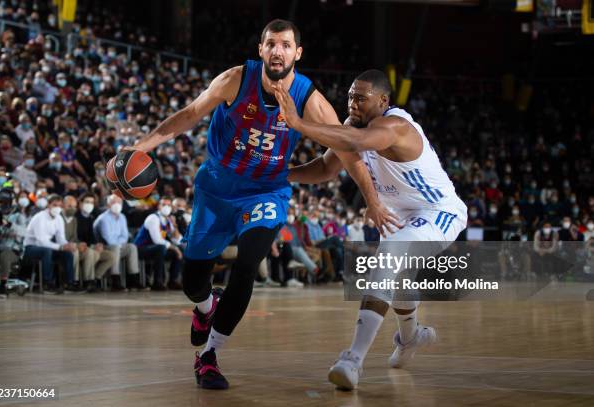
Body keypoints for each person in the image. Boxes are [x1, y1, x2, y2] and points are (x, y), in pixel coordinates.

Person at [127, 19, 392, 390]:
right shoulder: (235, 79)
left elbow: (347, 151)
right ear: (261, 50)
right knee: (192, 281)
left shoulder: (309, 99)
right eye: (271, 44)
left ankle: (208, 357)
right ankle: (205, 308)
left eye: (286, 44)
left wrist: (373, 202)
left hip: (267, 190)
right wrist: (141, 146)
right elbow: (189, 114)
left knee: (248, 263)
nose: (278, 50)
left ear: (297, 53)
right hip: (217, 188)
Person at [275, 69, 467, 390]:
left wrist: (299, 123)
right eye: (350, 95)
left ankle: (352, 360)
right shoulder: (352, 126)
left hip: (437, 212)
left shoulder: (395, 126)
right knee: (398, 278)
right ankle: (410, 337)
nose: (352, 103)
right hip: (395, 215)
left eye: (361, 98)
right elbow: (325, 167)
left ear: (383, 100)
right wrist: (279, 175)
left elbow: (356, 142)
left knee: (388, 261)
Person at [23, 194, 76, 293]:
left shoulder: (59, 218)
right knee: (47, 251)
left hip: (47, 247)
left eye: (59, 206)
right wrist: (60, 247)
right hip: (31, 247)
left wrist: (67, 245)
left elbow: (61, 238)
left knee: (68, 253)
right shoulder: (40, 217)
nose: (57, 208)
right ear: (48, 205)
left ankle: (69, 283)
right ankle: (47, 283)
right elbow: (41, 241)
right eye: (54, 205)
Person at [93, 195, 143, 291]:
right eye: (113, 202)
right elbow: (107, 238)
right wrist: (118, 245)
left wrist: (120, 244)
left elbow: (125, 235)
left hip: (118, 246)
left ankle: (133, 280)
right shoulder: (103, 218)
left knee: (132, 247)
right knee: (115, 247)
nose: (117, 204)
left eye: (119, 202)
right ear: (108, 205)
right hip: (105, 246)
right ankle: (115, 280)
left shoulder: (122, 217)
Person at [133, 196, 184, 290]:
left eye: (169, 205)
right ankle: (157, 282)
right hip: (141, 248)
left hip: (157, 249)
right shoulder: (153, 218)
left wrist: (175, 225)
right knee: (162, 248)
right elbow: (157, 240)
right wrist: (175, 248)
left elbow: (178, 240)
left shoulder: (168, 220)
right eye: (164, 204)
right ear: (158, 206)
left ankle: (173, 281)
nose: (166, 207)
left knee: (181, 248)